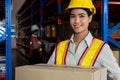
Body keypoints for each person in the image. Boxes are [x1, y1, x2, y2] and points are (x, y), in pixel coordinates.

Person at [47, 0, 120, 80]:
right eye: (73, 16)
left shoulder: (102, 48)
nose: (77, 21)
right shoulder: (60, 47)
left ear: (90, 18)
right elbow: (48, 74)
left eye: (81, 16)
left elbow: (117, 75)